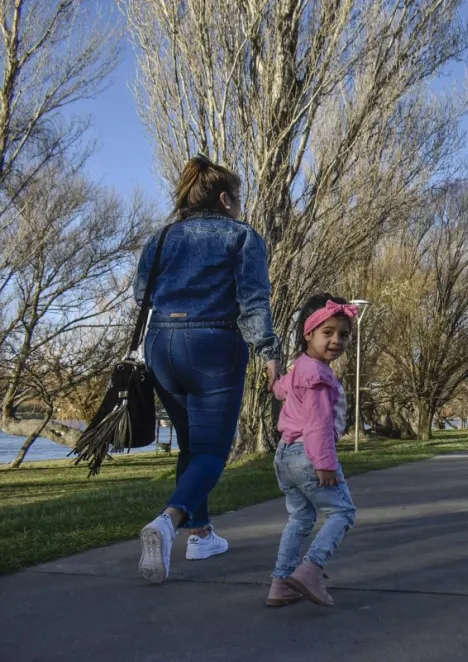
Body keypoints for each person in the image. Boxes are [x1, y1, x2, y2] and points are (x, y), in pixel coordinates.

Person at [135, 155, 282, 584]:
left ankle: (200, 535)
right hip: (214, 344)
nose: (240, 207)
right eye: (238, 200)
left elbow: (142, 292)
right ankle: (168, 522)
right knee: (215, 450)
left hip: (161, 344)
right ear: (224, 199)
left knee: (190, 445)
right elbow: (253, 301)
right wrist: (269, 355)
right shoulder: (242, 237)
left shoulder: (160, 239)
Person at [266, 294, 358, 608]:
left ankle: (281, 583)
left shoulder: (299, 368)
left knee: (300, 519)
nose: (336, 340)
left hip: (285, 454)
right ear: (309, 334)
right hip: (309, 454)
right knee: (343, 512)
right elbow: (318, 423)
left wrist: (272, 377)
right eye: (327, 332)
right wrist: (326, 463)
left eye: (343, 335)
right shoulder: (319, 375)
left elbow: (280, 389)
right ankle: (311, 570)